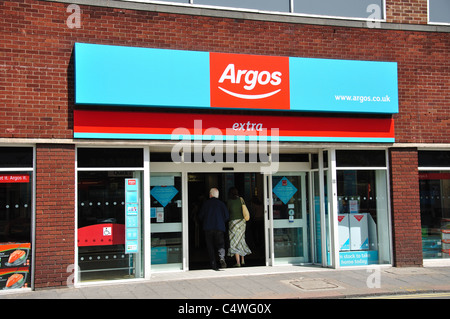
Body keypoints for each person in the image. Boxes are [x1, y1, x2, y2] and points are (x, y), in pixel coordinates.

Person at [198, 188, 229, 271]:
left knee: (210, 246)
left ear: (210, 195)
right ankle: (221, 257)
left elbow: (200, 216)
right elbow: (227, 216)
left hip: (208, 228)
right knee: (220, 244)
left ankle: (213, 264)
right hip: (219, 227)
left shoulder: (206, 204)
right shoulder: (222, 204)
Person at [227, 187, 251, 267]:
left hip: (233, 223)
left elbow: (227, 212)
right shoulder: (241, 199)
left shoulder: (229, 202)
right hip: (242, 223)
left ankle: (238, 262)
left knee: (234, 241)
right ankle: (243, 260)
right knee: (241, 239)